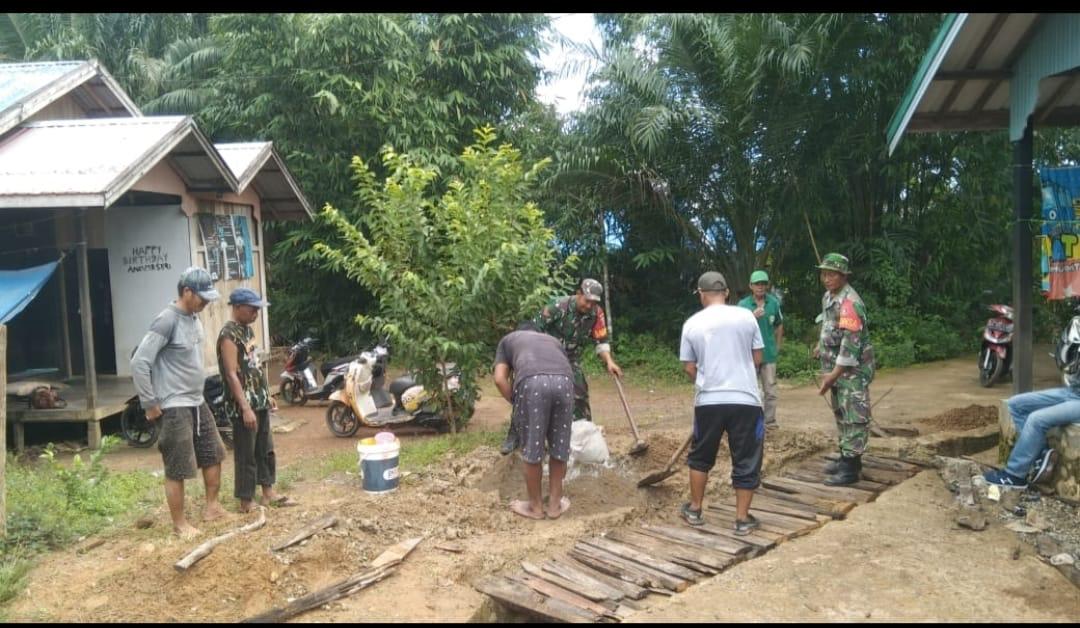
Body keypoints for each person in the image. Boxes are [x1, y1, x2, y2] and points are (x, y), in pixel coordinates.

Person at [131, 267, 227, 538]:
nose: (206, 302)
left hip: (197, 401)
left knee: (213, 453)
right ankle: (180, 524)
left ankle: (213, 507)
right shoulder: (166, 321)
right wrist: (149, 402)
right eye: (202, 297)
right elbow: (140, 361)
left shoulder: (193, 317)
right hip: (173, 405)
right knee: (178, 466)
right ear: (187, 292)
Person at [678, 271, 765, 535]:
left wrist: (707, 380)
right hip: (746, 401)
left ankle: (694, 509)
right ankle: (741, 519)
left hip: (709, 402)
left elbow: (689, 367)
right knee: (747, 458)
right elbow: (758, 358)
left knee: (701, 456)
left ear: (701, 294)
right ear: (726, 292)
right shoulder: (746, 316)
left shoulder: (692, 324)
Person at [499, 279, 623, 455]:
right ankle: (515, 434)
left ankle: (582, 439)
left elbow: (601, 340)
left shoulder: (597, 314)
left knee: (580, 394)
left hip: (569, 359)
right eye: (587, 300)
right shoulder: (558, 306)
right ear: (578, 293)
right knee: (529, 392)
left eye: (593, 302)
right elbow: (532, 330)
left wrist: (609, 361)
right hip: (544, 356)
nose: (589, 305)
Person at [217, 288, 297, 512]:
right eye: (252, 308)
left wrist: (266, 394)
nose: (255, 313)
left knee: (265, 448)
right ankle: (246, 500)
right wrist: (245, 408)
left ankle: (268, 491)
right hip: (244, 405)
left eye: (257, 309)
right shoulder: (228, 335)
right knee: (246, 452)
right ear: (237, 307)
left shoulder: (247, 332)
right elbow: (232, 373)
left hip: (258, 400)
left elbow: (255, 365)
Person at [493, 323, 576, 520]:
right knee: (560, 446)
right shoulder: (552, 340)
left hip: (533, 382)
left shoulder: (508, 340)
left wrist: (516, 400)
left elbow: (499, 379)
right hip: (565, 382)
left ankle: (535, 507)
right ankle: (555, 505)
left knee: (532, 447)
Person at [814, 253, 875, 486]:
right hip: (835, 368)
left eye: (831, 274)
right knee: (841, 413)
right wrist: (820, 347)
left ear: (843, 276)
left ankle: (851, 468)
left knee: (854, 416)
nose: (827, 278)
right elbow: (830, 328)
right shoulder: (829, 297)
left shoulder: (850, 303)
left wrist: (832, 376)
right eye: (824, 274)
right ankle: (847, 457)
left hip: (851, 372)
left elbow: (851, 345)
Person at [983, 385, 1072, 488]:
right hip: (1074, 391)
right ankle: (1039, 456)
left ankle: (1015, 475)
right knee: (1016, 404)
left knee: (1036, 419)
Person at [738, 270, 784, 428]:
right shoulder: (743, 305)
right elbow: (736, 328)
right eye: (757, 284)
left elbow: (779, 324)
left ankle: (770, 422)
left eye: (763, 284)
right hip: (748, 355)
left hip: (769, 354)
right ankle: (750, 422)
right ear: (750, 286)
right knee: (750, 390)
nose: (760, 287)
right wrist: (751, 316)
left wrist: (777, 346)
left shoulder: (773, 303)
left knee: (770, 390)